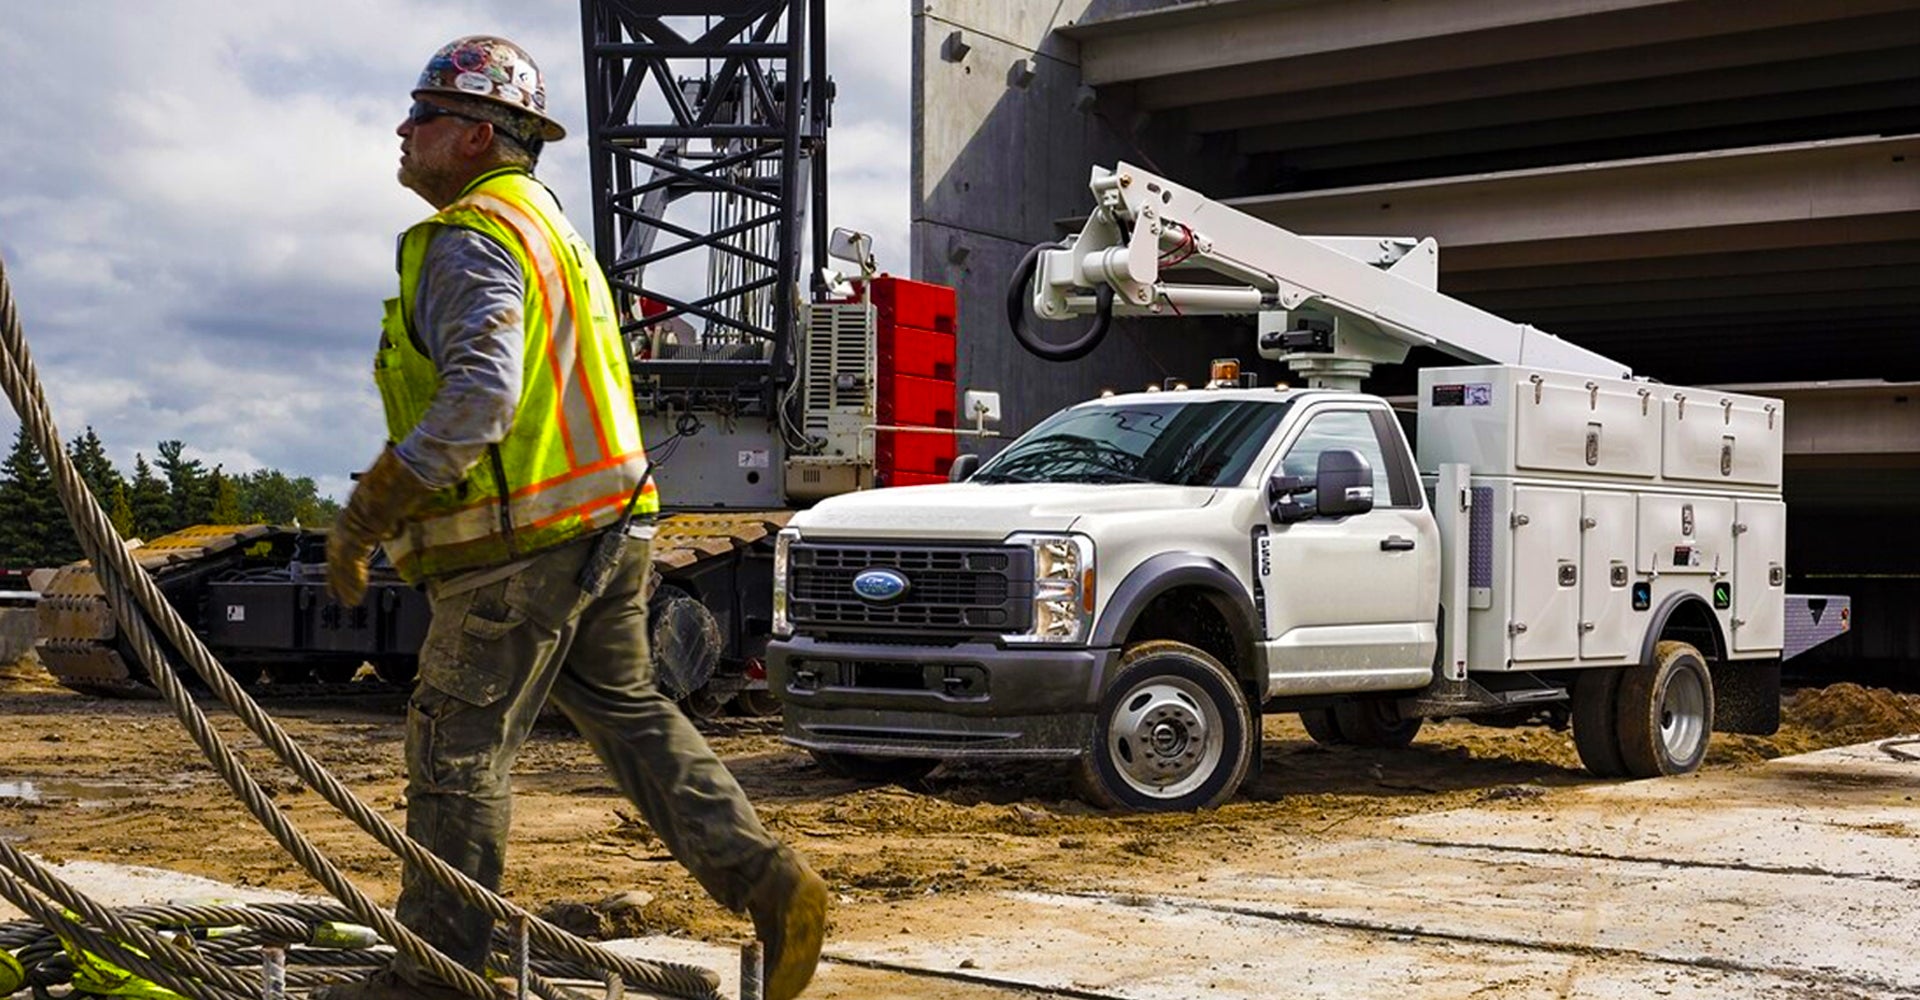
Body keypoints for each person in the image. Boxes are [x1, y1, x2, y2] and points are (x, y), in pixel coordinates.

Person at [318, 35, 826, 1000]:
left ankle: (438, 971)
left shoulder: (471, 237)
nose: (402, 129)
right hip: (609, 523)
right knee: (631, 716)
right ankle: (770, 882)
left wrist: (371, 506)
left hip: (520, 545)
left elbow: (480, 396)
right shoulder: (552, 229)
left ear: (474, 136)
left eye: (421, 115)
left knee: (456, 741)